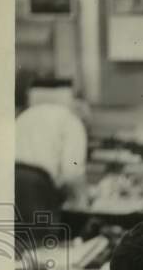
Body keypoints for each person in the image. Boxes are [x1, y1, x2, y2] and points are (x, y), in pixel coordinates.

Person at [15, 76, 89, 226]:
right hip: (39, 188)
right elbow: (71, 174)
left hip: (9, 187)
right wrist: (83, 204)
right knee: (44, 243)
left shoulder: (22, 117)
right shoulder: (70, 120)